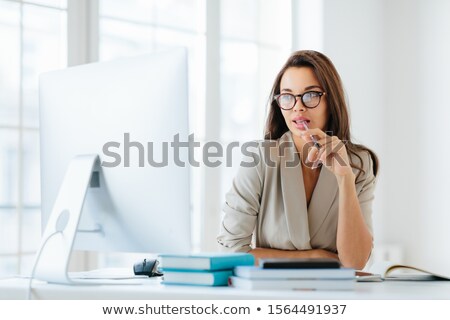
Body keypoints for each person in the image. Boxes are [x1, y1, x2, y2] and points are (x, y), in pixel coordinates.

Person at [217, 50, 378, 270]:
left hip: (335, 297)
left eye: (310, 95)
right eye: (287, 96)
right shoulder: (260, 158)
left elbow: (355, 262)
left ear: (331, 100)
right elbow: (231, 251)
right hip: (273, 296)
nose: (298, 106)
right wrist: (314, 259)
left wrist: (345, 179)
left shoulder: (359, 163)